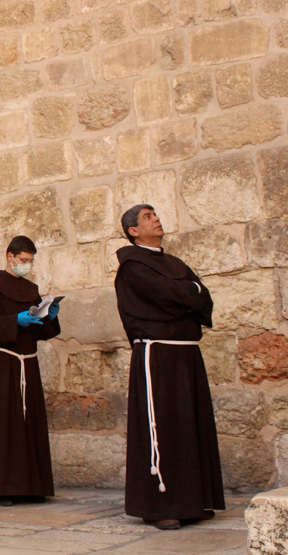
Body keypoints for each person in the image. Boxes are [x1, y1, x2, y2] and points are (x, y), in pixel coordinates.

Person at [114, 204, 224, 530]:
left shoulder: (175, 263)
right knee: (162, 428)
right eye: (148, 217)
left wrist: (188, 294)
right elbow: (166, 296)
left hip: (186, 356)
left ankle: (190, 503)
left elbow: (204, 299)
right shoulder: (133, 267)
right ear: (134, 231)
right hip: (158, 357)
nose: (157, 219)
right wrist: (189, 293)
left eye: (155, 214)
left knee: (189, 427)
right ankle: (159, 506)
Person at [0, 236, 62, 506]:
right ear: (10, 257)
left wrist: (49, 316)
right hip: (4, 364)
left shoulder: (31, 290)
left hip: (28, 363)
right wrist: (14, 321)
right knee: (5, 425)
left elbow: (40, 331)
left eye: (30, 261)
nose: (27, 265)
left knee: (30, 424)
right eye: (23, 260)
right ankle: (3, 489)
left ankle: (33, 487)